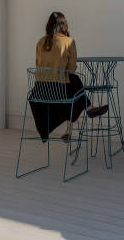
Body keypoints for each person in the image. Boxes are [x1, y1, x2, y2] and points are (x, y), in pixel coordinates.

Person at [30, 11, 107, 142]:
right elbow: (71, 69)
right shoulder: (69, 41)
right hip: (59, 91)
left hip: (40, 91)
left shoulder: (40, 42)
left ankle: (70, 129)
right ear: (64, 25)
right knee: (74, 82)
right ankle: (88, 109)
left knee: (73, 86)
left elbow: (38, 65)